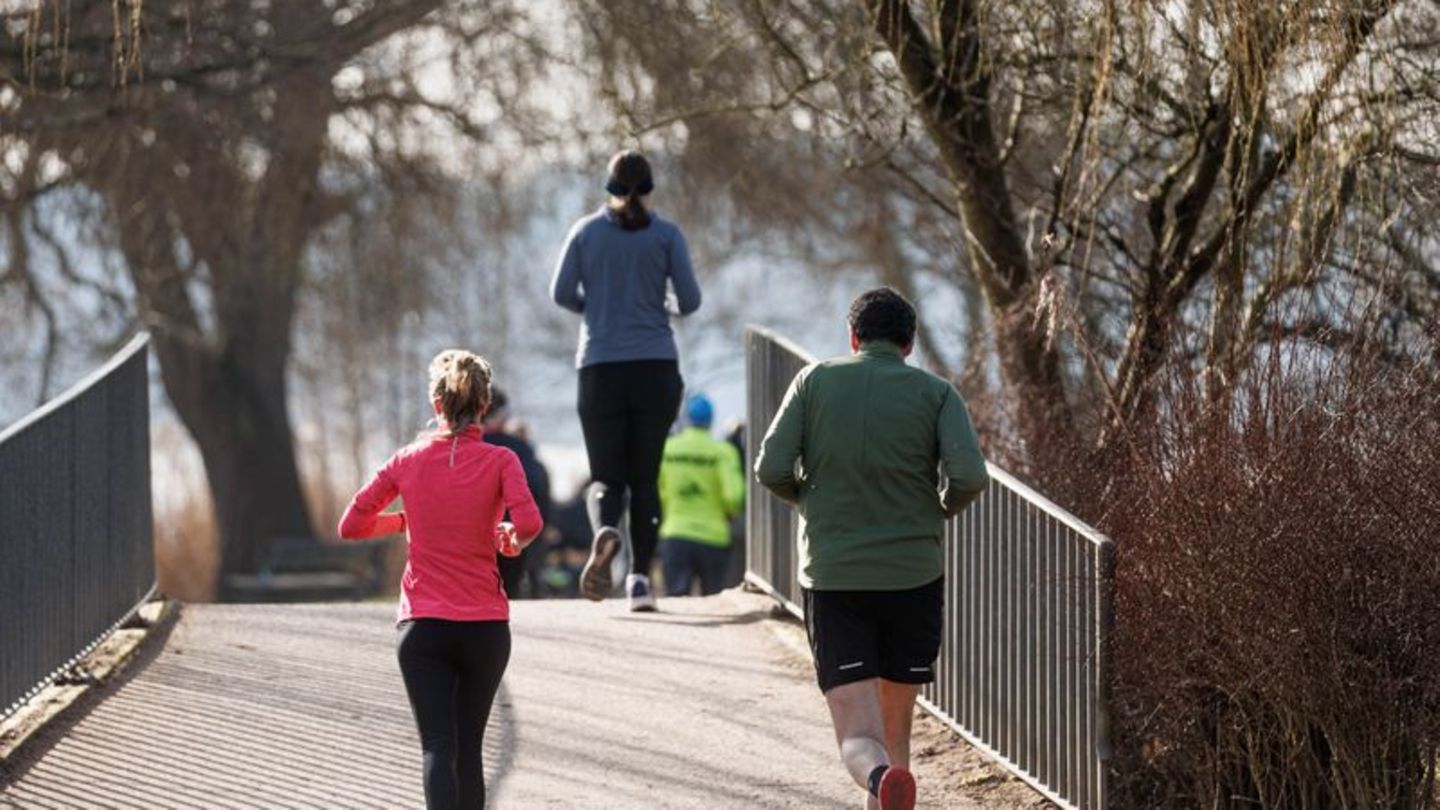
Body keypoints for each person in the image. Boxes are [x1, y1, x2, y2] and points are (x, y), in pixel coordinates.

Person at [754, 288, 988, 810]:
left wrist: (808, 501)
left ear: (853, 338)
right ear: (909, 344)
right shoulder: (937, 393)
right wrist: (940, 509)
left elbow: (770, 467)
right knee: (895, 722)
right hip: (913, 574)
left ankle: (880, 779)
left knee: (860, 735)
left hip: (834, 575)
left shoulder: (813, 381)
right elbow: (971, 476)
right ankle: (892, 782)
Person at [338, 350, 543, 810]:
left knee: (437, 747)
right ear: (484, 405)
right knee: (469, 751)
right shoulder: (502, 460)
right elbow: (530, 523)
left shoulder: (406, 460)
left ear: (436, 404)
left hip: (423, 628)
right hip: (485, 629)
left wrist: (403, 521)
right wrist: (511, 540)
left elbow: (351, 525)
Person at [550, 149, 702, 611]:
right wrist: (661, 306)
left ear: (608, 189)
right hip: (655, 367)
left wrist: (594, 309)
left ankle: (605, 531)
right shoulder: (667, 235)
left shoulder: (585, 232)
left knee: (607, 478)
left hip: (599, 368)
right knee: (645, 480)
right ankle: (639, 582)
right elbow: (690, 301)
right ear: (650, 189)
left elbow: (560, 292)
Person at [657, 394, 745, 597]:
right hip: (714, 537)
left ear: (685, 419)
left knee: (676, 600)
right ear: (711, 421)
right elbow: (734, 497)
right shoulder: (724, 452)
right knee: (713, 600)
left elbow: (657, 492)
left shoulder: (667, 449)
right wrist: (728, 513)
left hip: (675, 533)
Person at [483, 386, 554, 599]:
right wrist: (542, 523)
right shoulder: (518, 448)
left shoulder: (459, 446)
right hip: (510, 531)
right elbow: (537, 486)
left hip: (469, 533)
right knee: (508, 589)